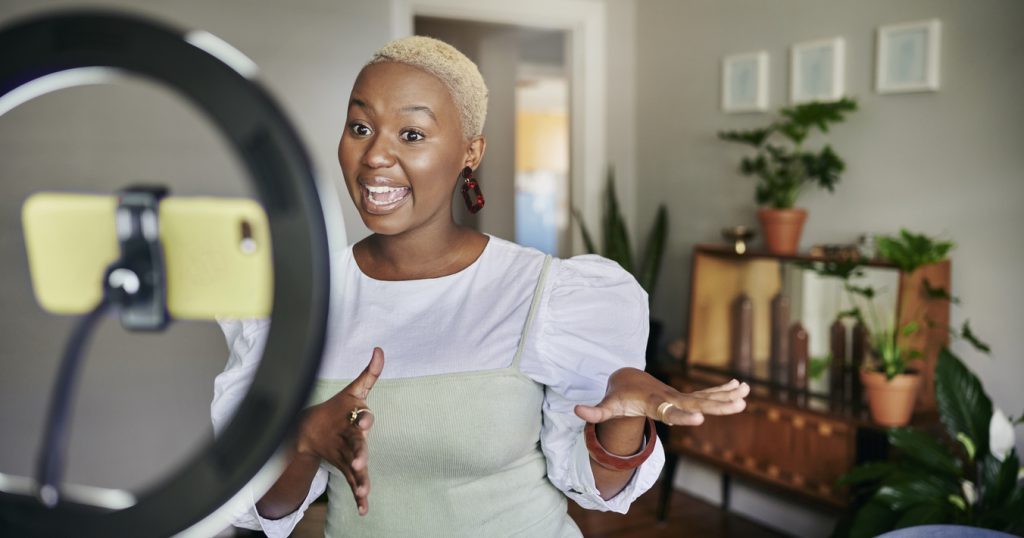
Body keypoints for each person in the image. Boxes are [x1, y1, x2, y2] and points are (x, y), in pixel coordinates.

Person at [211, 36, 749, 537]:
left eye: (413, 134)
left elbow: (597, 490)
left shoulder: (543, 293)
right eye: (360, 127)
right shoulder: (305, 300)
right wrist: (304, 440)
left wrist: (624, 419)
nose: (375, 154)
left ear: (470, 152)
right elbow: (267, 511)